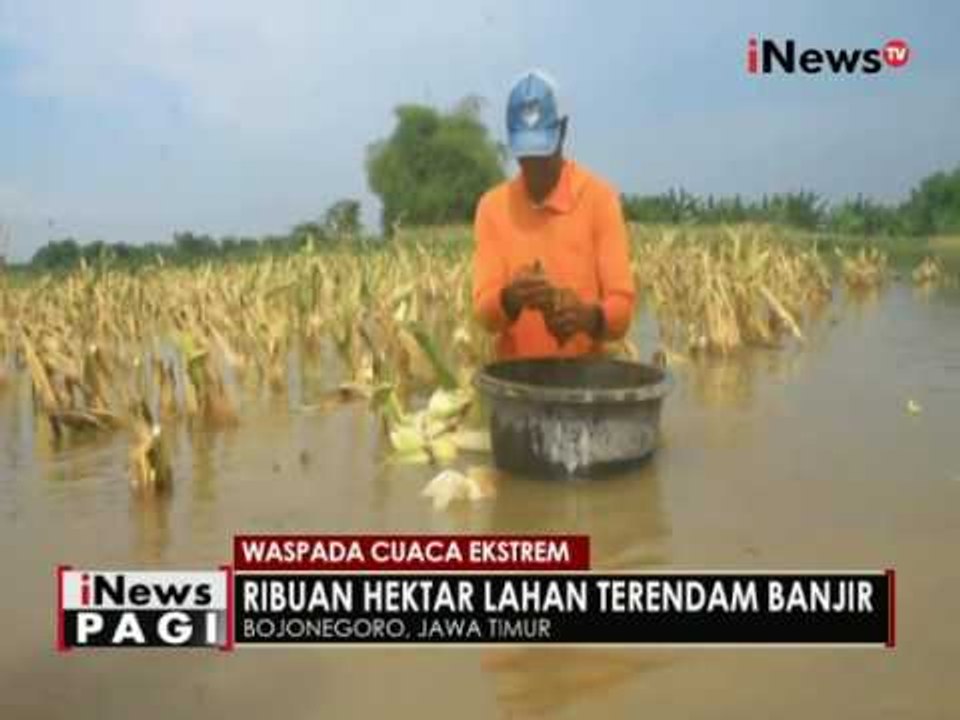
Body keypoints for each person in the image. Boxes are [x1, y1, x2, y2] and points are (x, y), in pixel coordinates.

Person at [472, 70, 635, 359]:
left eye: (541, 151)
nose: (533, 164)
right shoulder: (492, 208)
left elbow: (621, 310)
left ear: (563, 131)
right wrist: (510, 298)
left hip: (584, 384)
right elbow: (485, 315)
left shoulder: (599, 199)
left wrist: (587, 318)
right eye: (525, 153)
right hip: (515, 385)